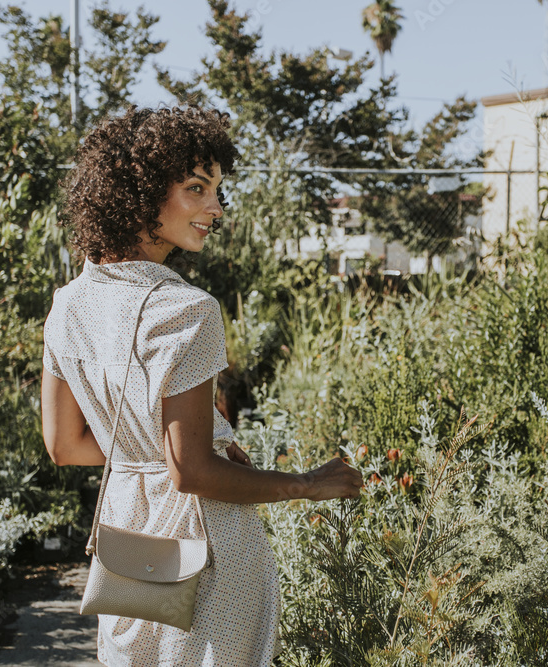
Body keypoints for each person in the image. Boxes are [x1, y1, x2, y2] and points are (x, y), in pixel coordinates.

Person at [39, 104, 364, 666]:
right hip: (207, 557)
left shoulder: (67, 305)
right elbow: (192, 472)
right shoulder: (186, 309)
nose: (215, 208)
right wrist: (306, 484)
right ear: (139, 193)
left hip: (128, 548)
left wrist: (149, 454)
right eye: (196, 188)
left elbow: (64, 446)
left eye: (216, 190)